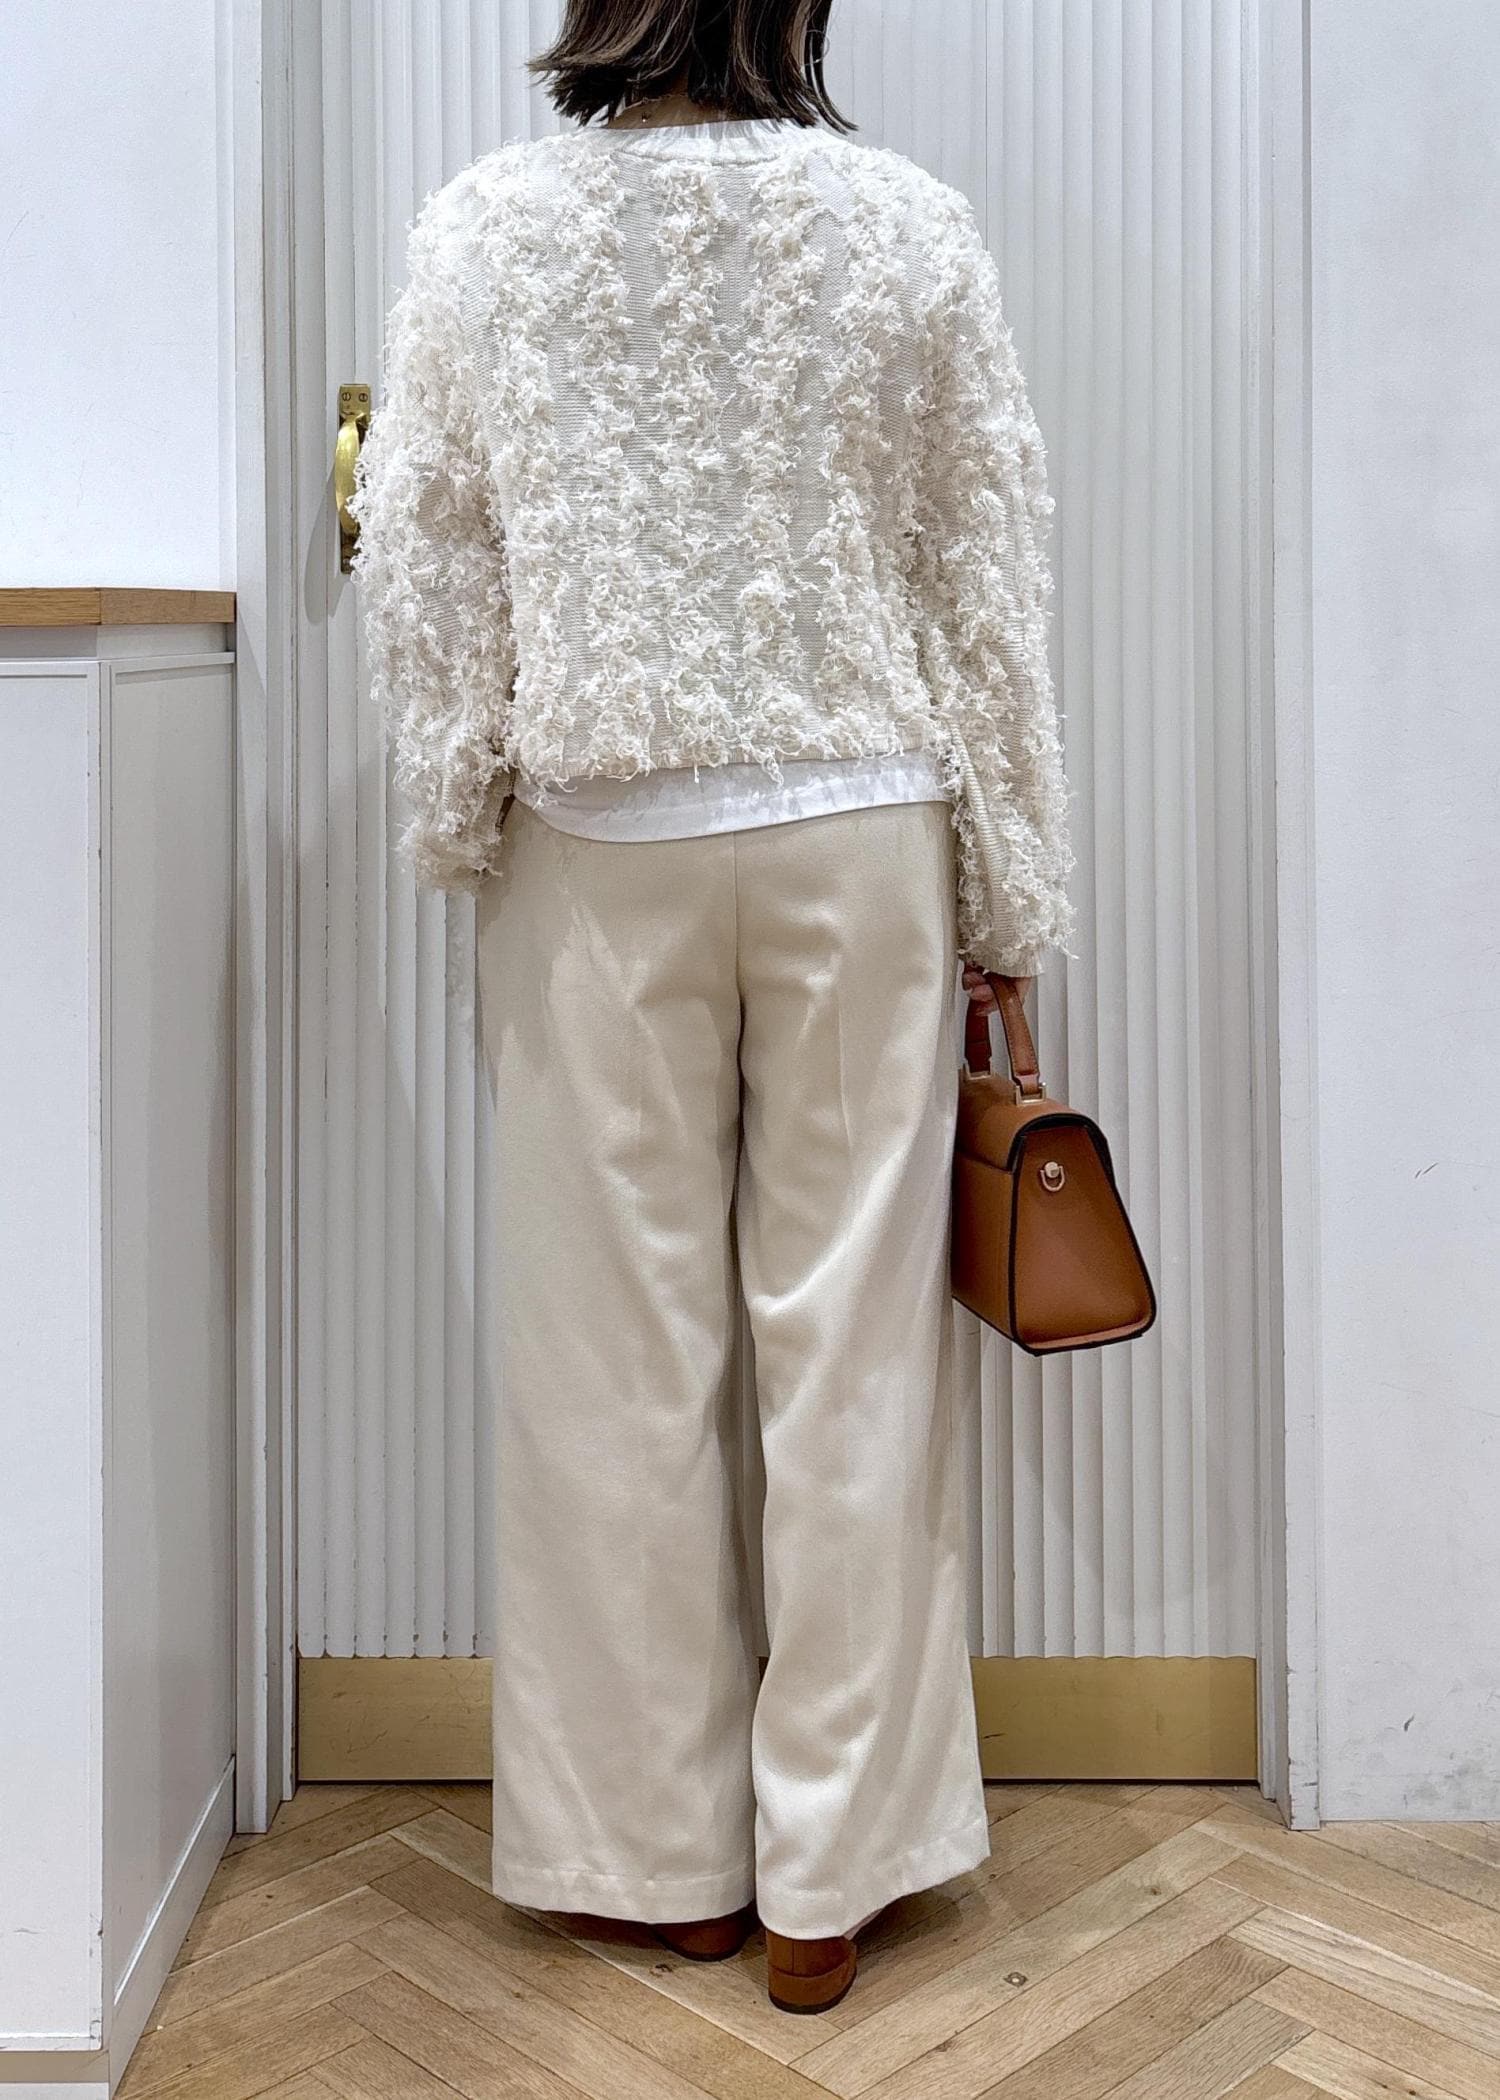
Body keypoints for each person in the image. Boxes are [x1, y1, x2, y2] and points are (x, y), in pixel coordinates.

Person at [348, 0, 1076, 2016]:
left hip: (599, 831)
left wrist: (456, 804)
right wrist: (1010, 876)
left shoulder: (487, 227)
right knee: (854, 1353)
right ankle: (829, 1872)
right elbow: (983, 566)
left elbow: (431, 553)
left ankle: (654, 1854)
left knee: (613, 1359)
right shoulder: (905, 221)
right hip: (858, 823)